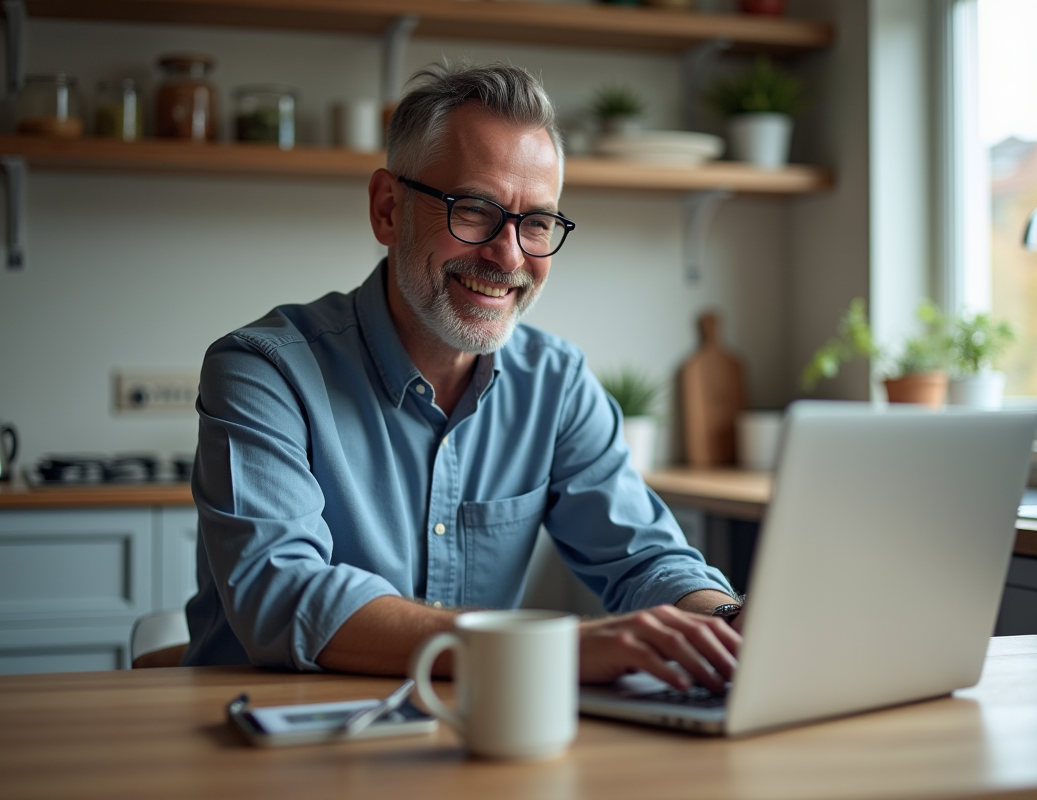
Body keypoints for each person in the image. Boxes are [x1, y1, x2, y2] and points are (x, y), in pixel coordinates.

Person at [183, 62, 744, 692]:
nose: (509, 256)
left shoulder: (556, 384)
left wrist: (725, 623)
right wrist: (554, 648)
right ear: (388, 210)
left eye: (537, 223)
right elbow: (283, 594)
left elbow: (646, 558)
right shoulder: (264, 371)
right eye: (474, 210)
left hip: (468, 728)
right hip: (265, 730)